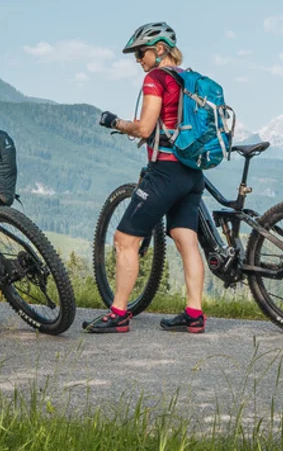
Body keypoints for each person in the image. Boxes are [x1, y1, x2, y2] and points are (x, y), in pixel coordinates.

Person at [86, 22, 209, 334]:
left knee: (125, 240)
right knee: (187, 241)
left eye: (141, 52)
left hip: (165, 172)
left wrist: (116, 122)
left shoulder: (157, 78)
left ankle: (118, 313)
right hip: (192, 173)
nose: (137, 59)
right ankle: (194, 313)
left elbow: (144, 128)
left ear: (160, 50)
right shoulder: (190, 79)